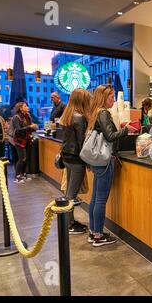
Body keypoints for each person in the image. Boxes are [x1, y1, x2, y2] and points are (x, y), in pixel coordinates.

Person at [86, 85, 134, 247]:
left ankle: (93, 232)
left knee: (95, 198)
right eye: (111, 97)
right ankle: (99, 236)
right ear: (103, 98)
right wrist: (126, 130)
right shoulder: (104, 113)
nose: (113, 100)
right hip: (105, 160)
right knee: (100, 199)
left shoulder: (95, 113)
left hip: (96, 160)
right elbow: (111, 136)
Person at [60, 88, 91, 235]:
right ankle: (69, 224)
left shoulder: (68, 115)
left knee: (69, 191)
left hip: (67, 157)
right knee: (71, 194)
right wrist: (89, 161)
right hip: (77, 159)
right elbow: (82, 143)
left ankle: (70, 221)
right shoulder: (80, 117)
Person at [13, 102, 38, 183]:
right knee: (21, 158)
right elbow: (18, 130)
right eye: (25, 106)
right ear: (20, 108)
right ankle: (17, 177)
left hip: (27, 140)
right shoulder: (16, 117)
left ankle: (23, 175)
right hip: (19, 141)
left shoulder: (28, 116)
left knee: (25, 158)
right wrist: (30, 126)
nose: (27, 107)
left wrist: (34, 127)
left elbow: (29, 128)